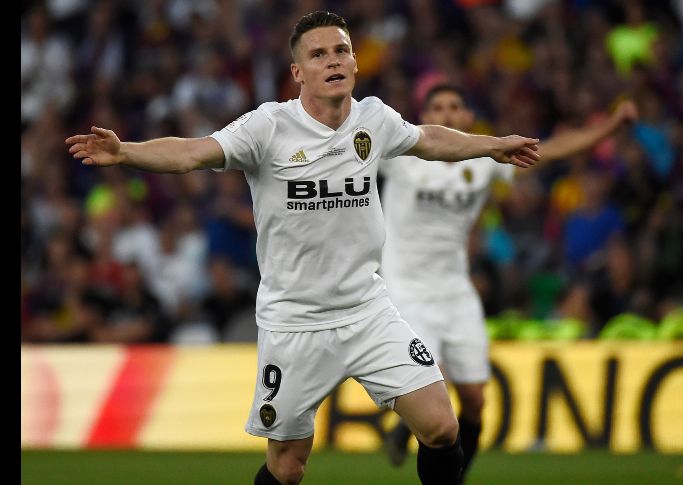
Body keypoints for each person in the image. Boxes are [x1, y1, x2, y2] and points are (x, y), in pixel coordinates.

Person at [65, 11, 540, 485]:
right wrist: (126, 151)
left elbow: (428, 139)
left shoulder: (373, 118)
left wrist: (491, 145)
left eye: (341, 51)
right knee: (288, 468)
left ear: (354, 62)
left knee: (441, 426)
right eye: (318, 54)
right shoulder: (268, 127)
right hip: (295, 322)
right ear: (298, 72)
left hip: (367, 310)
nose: (333, 61)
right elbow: (191, 153)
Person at [380, 84, 637, 482]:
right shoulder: (401, 154)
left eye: (455, 107)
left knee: (476, 401)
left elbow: (553, 149)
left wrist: (613, 125)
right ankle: (411, 431)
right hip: (405, 289)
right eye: (437, 107)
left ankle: (437, 458)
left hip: (455, 290)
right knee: (436, 384)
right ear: (423, 115)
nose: (447, 115)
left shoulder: (482, 159)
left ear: (468, 118)